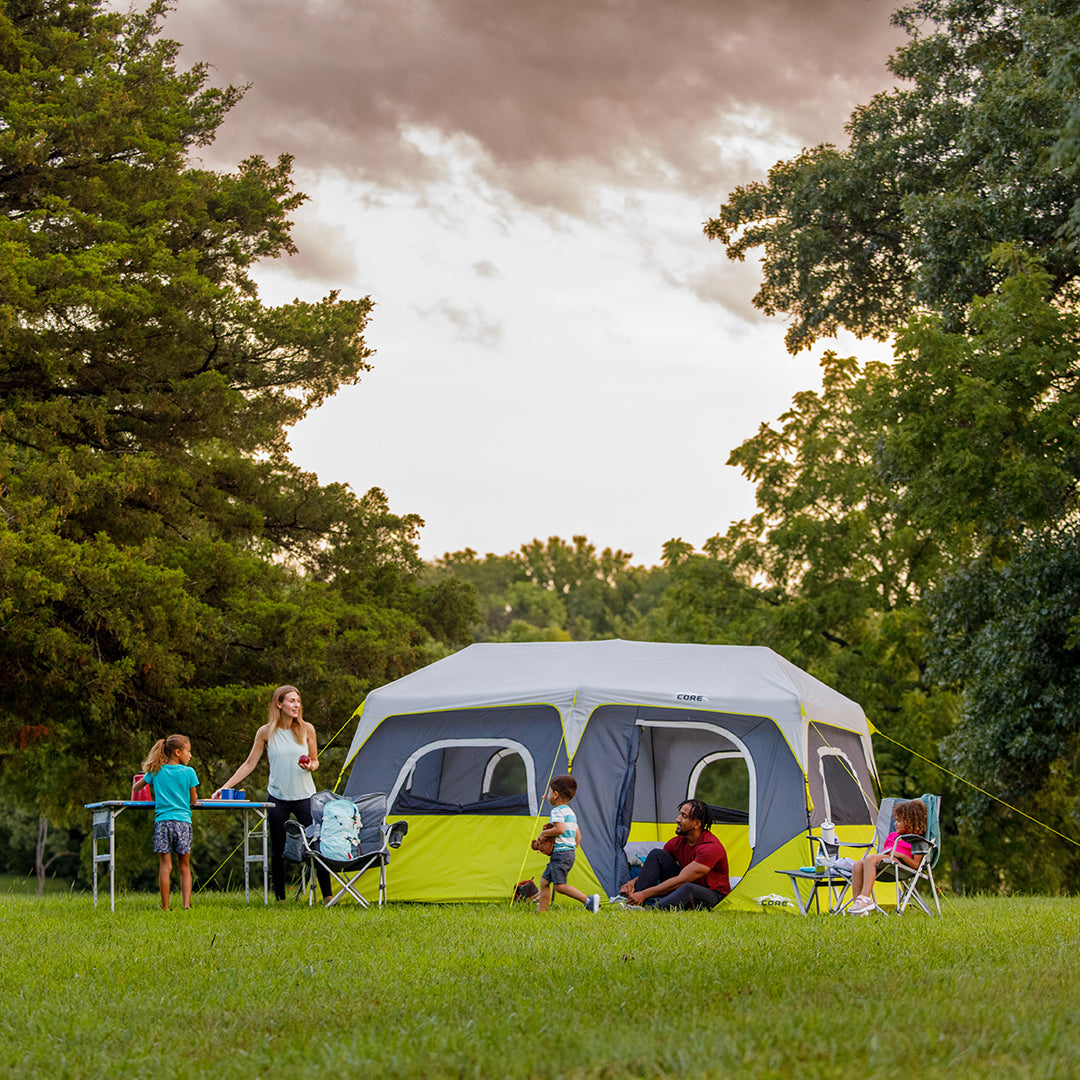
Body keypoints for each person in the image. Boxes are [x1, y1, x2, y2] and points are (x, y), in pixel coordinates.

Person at [213, 685, 332, 904]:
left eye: (298, 701)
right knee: (277, 848)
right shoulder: (266, 732)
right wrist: (225, 786)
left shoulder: (307, 729)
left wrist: (311, 766)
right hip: (278, 798)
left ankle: (327, 896)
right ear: (279, 704)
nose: (296, 705)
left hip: (305, 796)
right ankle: (280, 898)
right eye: (291, 701)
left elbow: (315, 759)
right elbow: (249, 764)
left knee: (316, 845)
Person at [619, 799, 730, 910]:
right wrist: (633, 882)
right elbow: (655, 868)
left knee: (688, 888)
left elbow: (682, 880)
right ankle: (633, 902)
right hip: (687, 886)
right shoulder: (678, 841)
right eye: (679, 814)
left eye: (684, 816)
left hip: (714, 896)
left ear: (697, 824)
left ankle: (649, 910)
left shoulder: (710, 847)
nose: (677, 819)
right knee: (657, 855)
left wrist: (644, 894)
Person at [133, 734, 199, 910]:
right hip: (183, 823)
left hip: (163, 823)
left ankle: (165, 906)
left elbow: (136, 787)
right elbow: (193, 800)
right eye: (188, 751)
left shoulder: (156, 771)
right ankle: (186, 905)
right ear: (178, 752)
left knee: (165, 866)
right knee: (184, 866)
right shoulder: (189, 772)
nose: (190, 756)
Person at [847, 798, 928, 915]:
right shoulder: (893, 836)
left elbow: (916, 866)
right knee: (858, 864)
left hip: (899, 865)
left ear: (910, 822)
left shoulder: (916, 840)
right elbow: (884, 852)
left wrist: (901, 855)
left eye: (899, 821)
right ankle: (859, 906)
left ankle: (865, 898)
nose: (895, 824)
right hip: (884, 862)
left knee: (870, 859)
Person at [534, 774, 600, 914]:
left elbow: (560, 829)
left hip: (561, 854)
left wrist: (543, 834)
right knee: (544, 882)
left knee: (559, 886)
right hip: (567, 853)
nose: (548, 795)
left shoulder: (556, 811)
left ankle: (588, 901)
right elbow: (578, 837)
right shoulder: (571, 812)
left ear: (556, 794)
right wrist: (570, 850)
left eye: (549, 792)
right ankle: (541, 911)